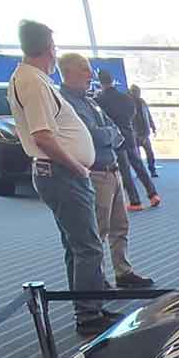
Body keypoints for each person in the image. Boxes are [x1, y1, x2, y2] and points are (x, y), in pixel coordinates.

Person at [8, 20, 116, 338]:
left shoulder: (30, 79)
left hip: (59, 173)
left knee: (77, 246)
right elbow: (43, 136)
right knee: (88, 247)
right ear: (49, 49)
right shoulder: (33, 82)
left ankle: (89, 305)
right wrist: (77, 166)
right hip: (61, 173)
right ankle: (88, 315)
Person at [58, 54, 155, 289]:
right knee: (97, 232)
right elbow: (93, 135)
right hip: (94, 173)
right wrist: (108, 134)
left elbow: (114, 130)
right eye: (84, 69)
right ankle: (97, 279)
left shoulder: (90, 101)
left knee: (120, 226)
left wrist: (107, 134)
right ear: (68, 72)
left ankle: (123, 271)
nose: (89, 74)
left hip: (112, 171)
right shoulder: (67, 103)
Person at [95, 69, 159, 212]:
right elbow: (133, 113)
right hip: (129, 135)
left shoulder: (99, 100)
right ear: (112, 80)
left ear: (100, 82)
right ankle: (153, 194)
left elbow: (100, 120)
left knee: (125, 170)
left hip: (115, 137)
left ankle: (135, 201)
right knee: (139, 165)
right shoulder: (125, 98)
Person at [130, 84, 158, 177]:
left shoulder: (142, 102)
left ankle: (152, 170)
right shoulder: (128, 103)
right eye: (136, 92)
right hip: (134, 135)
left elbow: (148, 115)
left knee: (150, 153)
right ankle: (141, 173)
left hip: (145, 133)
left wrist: (152, 126)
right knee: (137, 156)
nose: (138, 94)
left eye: (139, 92)